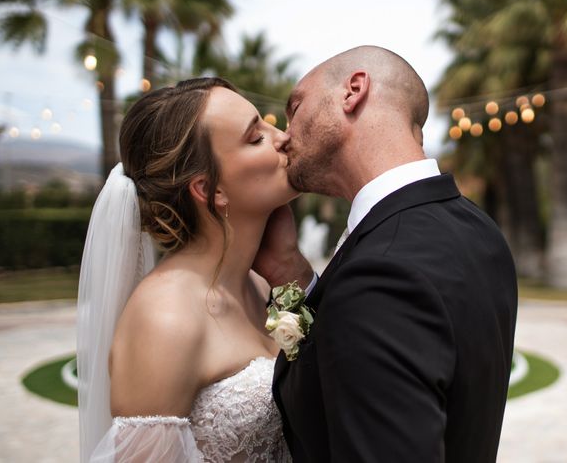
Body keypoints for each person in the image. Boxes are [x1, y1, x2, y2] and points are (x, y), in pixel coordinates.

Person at [254, 46, 518, 462]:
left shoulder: (382, 272)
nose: (284, 134)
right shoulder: (479, 230)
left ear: (353, 91)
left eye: (296, 106)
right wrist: (293, 276)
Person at [77, 77, 297, 462]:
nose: (282, 136)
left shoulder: (261, 285)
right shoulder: (166, 316)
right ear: (210, 190)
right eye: (255, 137)